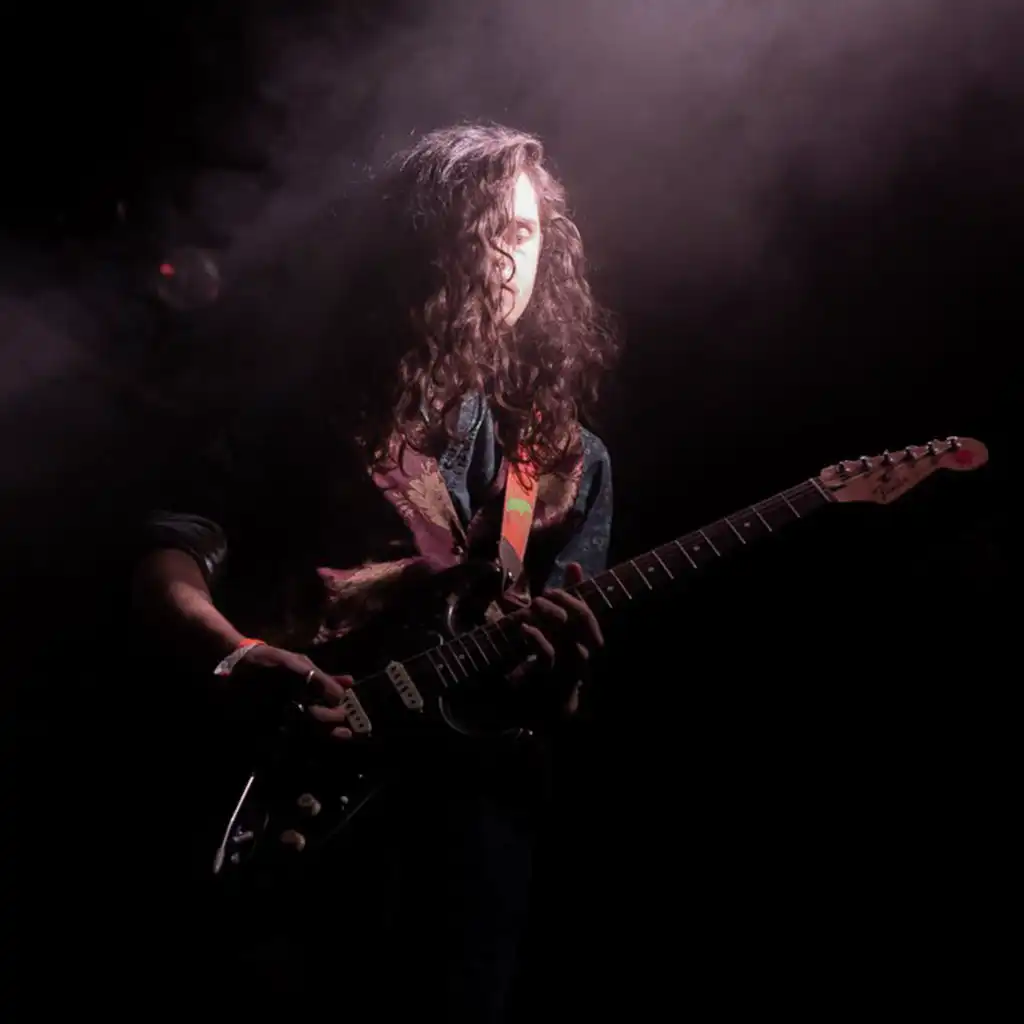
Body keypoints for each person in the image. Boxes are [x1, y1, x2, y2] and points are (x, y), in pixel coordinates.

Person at [130, 122, 619, 1019]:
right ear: (416, 246)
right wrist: (235, 655)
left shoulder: (568, 462)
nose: (503, 259)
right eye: (478, 231)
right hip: (293, 816)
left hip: (464, 848)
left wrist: (559, 682)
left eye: (521, 232)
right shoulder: (304, 410)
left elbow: (556, 699)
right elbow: (169, 549)